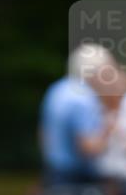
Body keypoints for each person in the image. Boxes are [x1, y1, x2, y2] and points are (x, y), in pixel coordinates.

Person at [39, 43, 117, 186]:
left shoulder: (56, 89)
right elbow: (87, 148)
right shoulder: (84, 98)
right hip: (76, 179)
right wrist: (109, 130)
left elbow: (44, 134)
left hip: (53, 172)